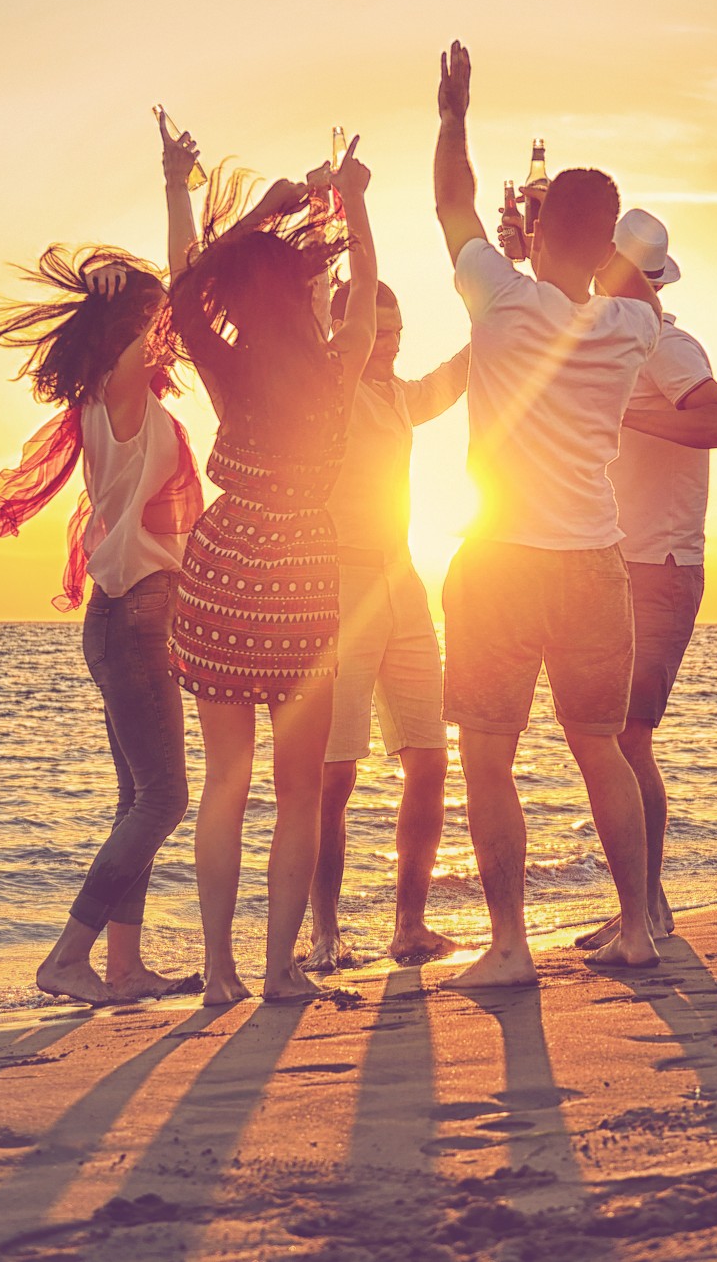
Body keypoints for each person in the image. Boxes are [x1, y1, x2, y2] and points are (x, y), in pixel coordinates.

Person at [429, 38, 665, 988]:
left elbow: (449, 201)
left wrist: (455, 113)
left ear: (536, 224)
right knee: (600, 747)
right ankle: (638, 927)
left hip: (502, 557)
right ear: (606, 245)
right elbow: (635, 288)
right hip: (594, 560)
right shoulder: (631, 327)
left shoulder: (499, 297)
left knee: (488, 753)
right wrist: (585, 252)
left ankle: (511, 945)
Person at [166, 139, 380, 1004]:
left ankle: (217, 972)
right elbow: (365, 290)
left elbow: (183, 294)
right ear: (301, 295)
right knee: (298, 794)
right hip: (297, 568)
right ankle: (278, 968)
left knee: (225, 779)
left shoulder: (231, 366)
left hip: (222, 564)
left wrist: (256, 220)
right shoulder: (337, 369)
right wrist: (355, 201)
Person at [0, 240, 202, 1005]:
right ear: (135, 328)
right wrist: (138, 290)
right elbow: (176, 302)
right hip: (135, 616)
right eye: (150, 321)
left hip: (124, 619)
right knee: (165, 799)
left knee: (136, 796)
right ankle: (68, 957)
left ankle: (126, 966)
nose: (165, 332)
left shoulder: (107, 399)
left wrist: (128, 295)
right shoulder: (124, 397)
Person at [575, 208, 717, 956]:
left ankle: (647, 910)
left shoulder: (669, 345)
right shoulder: (619, 341)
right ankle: (641, 906)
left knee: (626, 736)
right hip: (625, 560)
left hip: (661, 566)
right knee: (617, 734)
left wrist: (634, 425)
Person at [306, 281, 467, 971]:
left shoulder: (400, 396)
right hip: (341, 585)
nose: (394, 341)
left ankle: (409, 926)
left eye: (400, 329)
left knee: (430, 757)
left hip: (402, 584)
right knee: (333, 775)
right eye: (381, 329)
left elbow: (456, 376)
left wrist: (502, 305)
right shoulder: (328, 391)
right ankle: (323, 934)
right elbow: (311, 340)